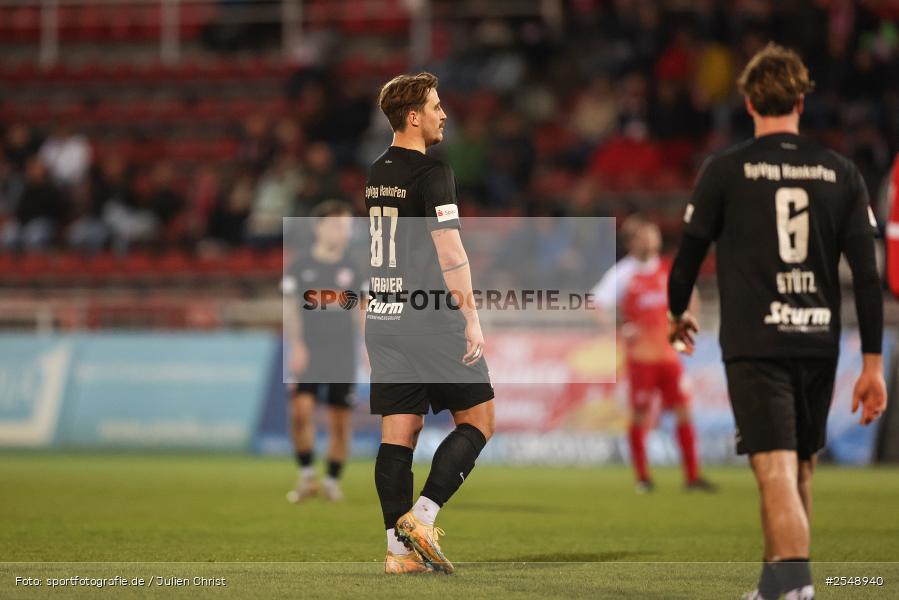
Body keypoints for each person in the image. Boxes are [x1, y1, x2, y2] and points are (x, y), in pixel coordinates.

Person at [667, 43, 886, 600]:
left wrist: (677, 312)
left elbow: (687, 258)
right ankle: (775, 584)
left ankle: (795, 587)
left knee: (773, 468)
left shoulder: (726, 169)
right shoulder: (841, 172)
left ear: (747, 101)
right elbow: (866, 275)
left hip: (756, 339)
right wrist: (873, 364)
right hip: (819, 338)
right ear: (802, 99)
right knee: (799, 469)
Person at [365, 73, 495, 575]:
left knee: (400, 431)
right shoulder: (433, 172)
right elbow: (449, 250)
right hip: (429, 315)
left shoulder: (376, 172)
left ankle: (397, 555)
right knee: (480, 419)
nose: (445, 114)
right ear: (413, 116)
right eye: (437, 106)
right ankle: (421, 518)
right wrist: (472, 319)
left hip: (384, 315)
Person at [592, 215, 715, 493]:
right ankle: (642, 477)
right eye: (645, 235)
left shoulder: (668, 268)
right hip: (641, 359)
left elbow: (691, 295)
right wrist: (619, 329)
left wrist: (686, 323)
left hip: (669, 357)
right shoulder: (623, 273)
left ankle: (693, 477)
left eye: (654, 234)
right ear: (632, 242)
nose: (651, 240)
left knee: (684, 411)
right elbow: (595, 303)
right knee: (640, 415)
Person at [281, 201, 362, 503]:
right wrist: (297, 344)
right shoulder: (300, 266)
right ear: (320, 227)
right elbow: (291, 308)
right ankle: (306, 476)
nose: (343, 231)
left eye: (347, 226)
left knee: (339, 419)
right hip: (310, 349)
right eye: (338, 225)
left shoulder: (353, 266)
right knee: (300, 413)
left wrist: (367, 345)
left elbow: (360, 309)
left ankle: (331, 479)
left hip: (342, 351)